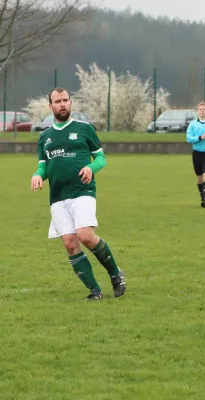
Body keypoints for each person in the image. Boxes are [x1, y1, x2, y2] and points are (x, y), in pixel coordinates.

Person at [30, 87, 126, 301]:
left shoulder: (84, 129)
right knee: (70, 244)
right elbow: (43, 166)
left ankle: (115, 274)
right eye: (58, 101)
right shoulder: (45, 136)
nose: (62, 104)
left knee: (84, 235)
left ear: (70, 103)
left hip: (83, 191)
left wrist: (92, 168)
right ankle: (95, 291)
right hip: (57, 196)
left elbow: (101, 158)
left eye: (65, 100)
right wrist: (37, 175)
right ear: (50, 106)